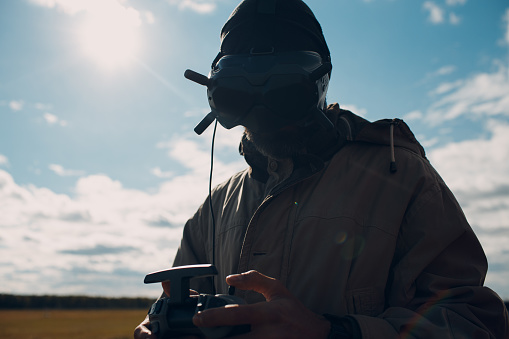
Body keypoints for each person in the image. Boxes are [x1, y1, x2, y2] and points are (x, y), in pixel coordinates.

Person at [135, 0, 509, 338]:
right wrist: (163, 322)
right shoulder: (215, 207)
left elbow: (472, 321)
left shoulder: (403, 180)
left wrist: (334, 333)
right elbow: (178, 301)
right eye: (238, 94)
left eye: (285, 92)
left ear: (321, 82)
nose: (265, 117)